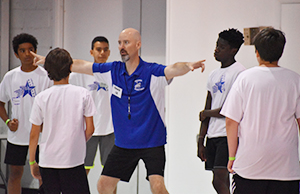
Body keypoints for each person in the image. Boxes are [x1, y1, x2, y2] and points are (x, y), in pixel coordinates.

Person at [32, 27, 205, 194]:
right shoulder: (112, 70)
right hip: (124, 143)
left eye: (127, 42)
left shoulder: (152, 71)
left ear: (138, 45)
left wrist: (187, 65)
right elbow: (80, 65)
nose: (122, 47)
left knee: (157, 187)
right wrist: (48, 60)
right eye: (120, 43)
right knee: (103, 186)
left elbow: (173, 68)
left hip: (152, 141)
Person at [220, 27, 300, 194]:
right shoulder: (295, 80)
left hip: (249, 166)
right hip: (286, 168)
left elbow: (231, 121)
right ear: (281, 51)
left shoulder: (244, 78)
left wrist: (232, 157)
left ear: (256, 52)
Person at [29, 48, 96, 194]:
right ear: (70, 68)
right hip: (73, 160)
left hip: (48, 160)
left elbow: (34, 134)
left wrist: (32, 161)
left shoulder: (41, 97)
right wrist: (76, 142)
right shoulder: (83, 93)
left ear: (48, 71)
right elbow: (90, 129)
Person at [0, 33, 52, 194]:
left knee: (43, 175)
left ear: (36, 51)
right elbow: (1, 103)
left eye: (30, 50)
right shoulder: (10, 77)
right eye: (22, 50)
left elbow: (54, 104)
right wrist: (8, 122)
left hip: (41, 137)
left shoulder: (46, 76)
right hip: (18, 136)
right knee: (15, 174)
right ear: (16, 54)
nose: (27, 54)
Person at [197, 28, 245, 194]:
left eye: (222, 47)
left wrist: (206, 113)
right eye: (217, 45)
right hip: (213, 135)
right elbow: (208, 106)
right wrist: (200, 139)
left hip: (228, 135)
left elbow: (230, 109)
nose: (216, 49)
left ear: (233, 50)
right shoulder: (213, 74)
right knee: (219, 180)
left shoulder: (240, 73)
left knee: (219, 179)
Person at [69, 36, 115, 175]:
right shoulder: (80, 74)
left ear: (109, 52)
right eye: (98, 49)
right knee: (83, 171)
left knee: (110, 174)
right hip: (87, 129)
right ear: (91, 52)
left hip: (110, 130)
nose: (102, 53)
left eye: (105, 50)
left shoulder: (115, 73)